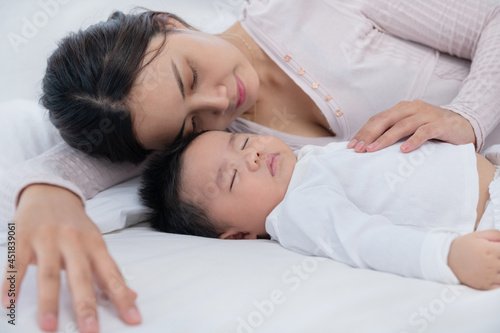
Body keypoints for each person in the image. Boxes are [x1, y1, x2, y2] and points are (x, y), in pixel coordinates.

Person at [2, 0, 500, 331]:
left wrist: (468, 116)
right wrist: (43, 196)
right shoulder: (226, 155)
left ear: (167, 22)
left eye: (190, 73)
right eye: (190, 123)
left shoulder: (311, 10)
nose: (219, 101)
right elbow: (57, 170)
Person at [139, 130, 500, 290]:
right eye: (232, 177)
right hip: (489, 212)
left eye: (243, 142)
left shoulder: (306, 160)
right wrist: (446, 257)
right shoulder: (298, 208)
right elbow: (365, 240)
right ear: (239, 236)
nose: (254, 155)